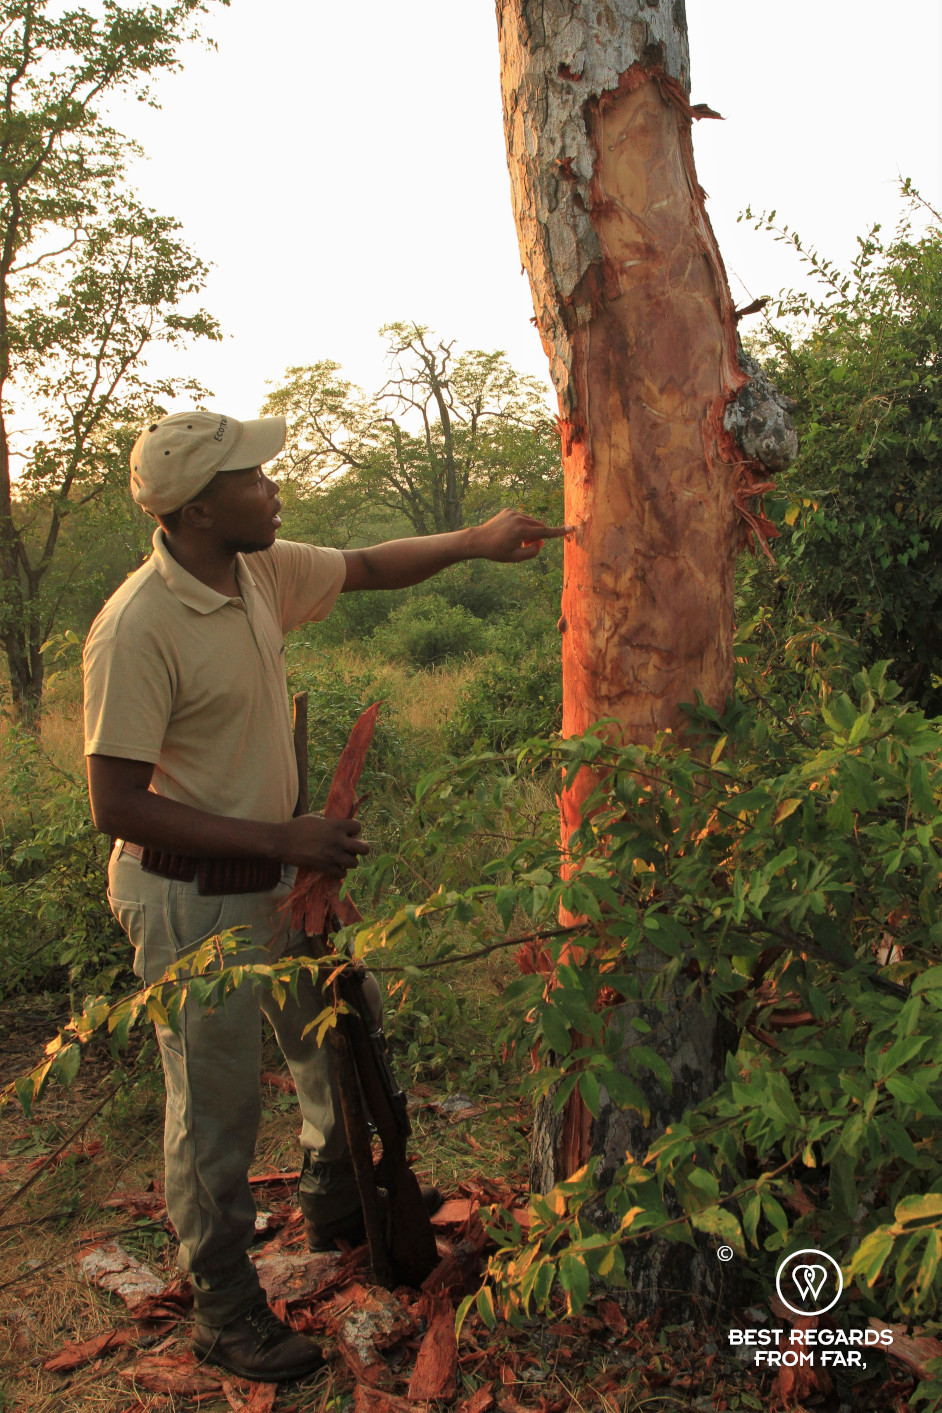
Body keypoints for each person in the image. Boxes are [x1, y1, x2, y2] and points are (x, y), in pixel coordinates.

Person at [83, 408, 568, 1383]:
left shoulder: (253, 571)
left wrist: (475, 541)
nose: (274, 488)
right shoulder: (139, 624)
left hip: (278, 881)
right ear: (200, 506)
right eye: (254, 478)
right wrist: (280, 835)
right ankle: (224, 1310)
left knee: (337, 1033)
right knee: (212, 1111)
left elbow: (369, 565)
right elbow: (114, 802)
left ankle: (334, 1196)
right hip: (188, 902)